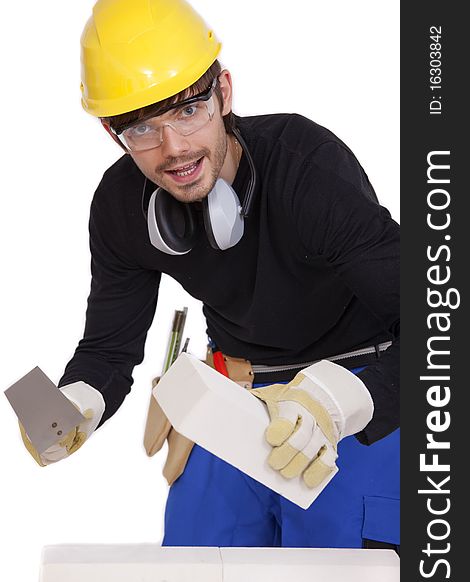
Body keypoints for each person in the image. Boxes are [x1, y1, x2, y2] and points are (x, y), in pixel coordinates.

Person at [21, 0, 399, 550]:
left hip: (358, 391)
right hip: (234, 400)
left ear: (224, 91)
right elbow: (108, 349)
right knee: (196, 568)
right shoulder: (120, 205)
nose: (173, 149)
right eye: (141, 128)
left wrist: (338, 401)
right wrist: (79, 400)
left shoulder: (305, 167)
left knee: (342, 571)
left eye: (187, 110)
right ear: (112, 133)